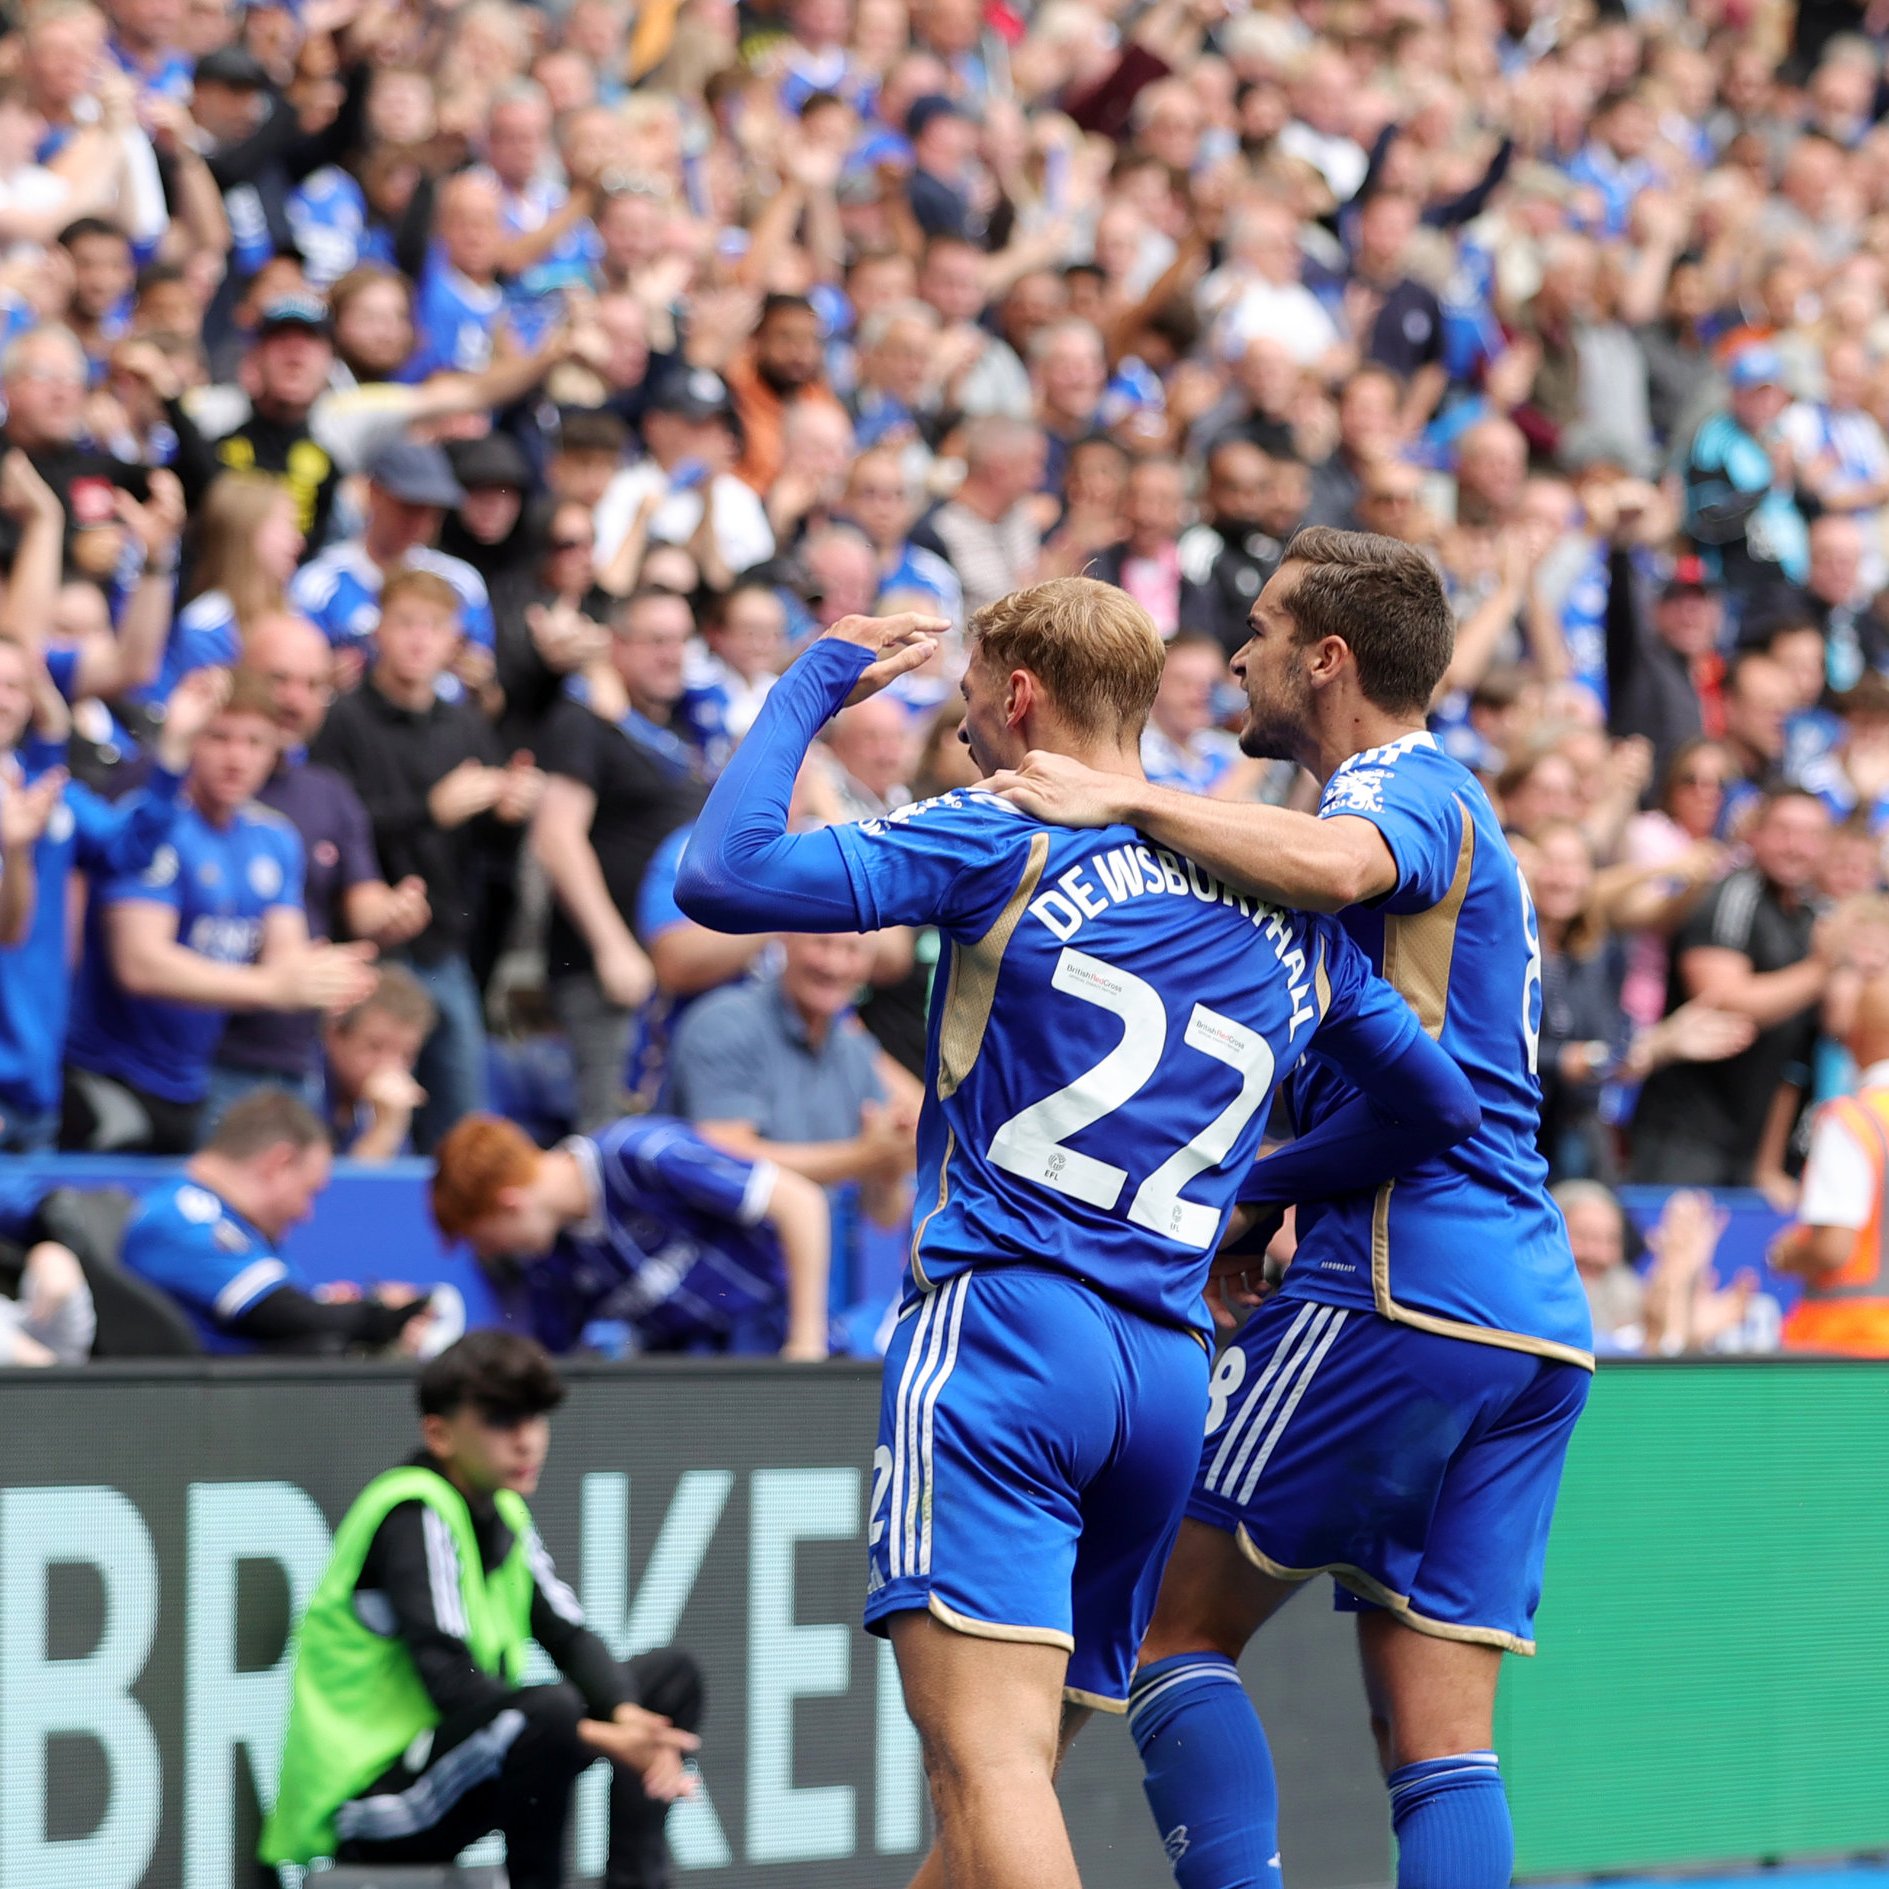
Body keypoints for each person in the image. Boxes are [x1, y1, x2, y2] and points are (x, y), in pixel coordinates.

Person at [673, 585, 1485, 1889]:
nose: (964, 741)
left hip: (1006, 1335)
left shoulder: (1008, 832)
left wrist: (812, 686)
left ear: (1019, 698)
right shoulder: (1275, 897)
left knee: (984, 1772)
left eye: (967, 709)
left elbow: (722, 875)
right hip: (1162, 1381)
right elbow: (1438, 1104)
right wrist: (1249, 1191)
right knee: (1004, 1794)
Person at [983, 529, 1595, 1889]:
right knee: (1437, 1738)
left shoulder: (1398, 782)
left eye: (1261, 626)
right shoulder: (1442, 802)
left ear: (1329, 659)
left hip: (1403, 1277)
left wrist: (1126, 802)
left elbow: (1334, 874)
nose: (1239, 650)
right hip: (1531, 1314)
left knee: (1162, 1628)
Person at [259, 1330, 703, 1889]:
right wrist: (597, 1735)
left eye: (535, 1420)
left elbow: (568, 1636)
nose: (528, 1442)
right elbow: (451, 1681)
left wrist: (624, 1714)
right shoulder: (414, 1512)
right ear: (439, 1434)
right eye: (502, 1422)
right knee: (551, 1714)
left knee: (667, 1681)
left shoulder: (506, 1514)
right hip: (370, 1807)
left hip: (455, 1767)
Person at [62, 672, 380, 1153]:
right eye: (219, 738)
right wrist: (274, 986)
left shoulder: (275, 838)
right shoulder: (152, 826)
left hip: (193, 1079)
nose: (238, 758)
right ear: (191, 742)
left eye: (255, 743)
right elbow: (141, 964)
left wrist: (325, 974)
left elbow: (285, 955)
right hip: (108, 1075)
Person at [312, 566, 544, 1149]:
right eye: (406, 623)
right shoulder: (343, 720)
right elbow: (336, 828)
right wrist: (429, 810)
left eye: (434, 627)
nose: (418, 640)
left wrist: (511, 815)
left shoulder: (465, 726)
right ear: (379, 632)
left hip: (445, 950)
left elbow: (489, 850)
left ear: (453, 642)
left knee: (463, 1125)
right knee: (363, 1118)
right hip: (367, 954)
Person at [431, 1109, 832, 1358]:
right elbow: (550, 1363)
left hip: (775, 1339)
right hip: (701, 1376)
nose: (495, 1251)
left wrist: (806, 1346)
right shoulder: (551, 1263)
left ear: (509, 1202)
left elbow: (801, 1204)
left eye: (486, 1238)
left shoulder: (639, 1155)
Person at [531, 586, 705, 1131]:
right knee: (610, 1142)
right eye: (655, 640)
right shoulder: (584, 722)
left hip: (676, 977)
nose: (671, 654)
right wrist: (612, 948)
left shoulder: (682, 727)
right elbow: (555, 836)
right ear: (618, 646)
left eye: (680, 640)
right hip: (608, 977)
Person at [121, 1087, 430, 1353]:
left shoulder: (237, 1223)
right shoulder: (182, 1214)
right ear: (279, 1164)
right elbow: (285, 1314)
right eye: (309, 1191)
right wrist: (382, 1314)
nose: (306, 1213)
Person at [1772, 970, 1889, 1355]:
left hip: (1851, 1350)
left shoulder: (1852, 1120)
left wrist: (1787, 1253)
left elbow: (1833, 1247)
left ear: (1858, 1034)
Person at [320, 965, 436, 1161]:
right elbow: (343, 1191)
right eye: (375, 1047)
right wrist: (384, 1130)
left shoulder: (385, 1103)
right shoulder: (302, 1089)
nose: (389, 1067)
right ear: (334, 1037)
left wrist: (389, 1124)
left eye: (406, 1055)